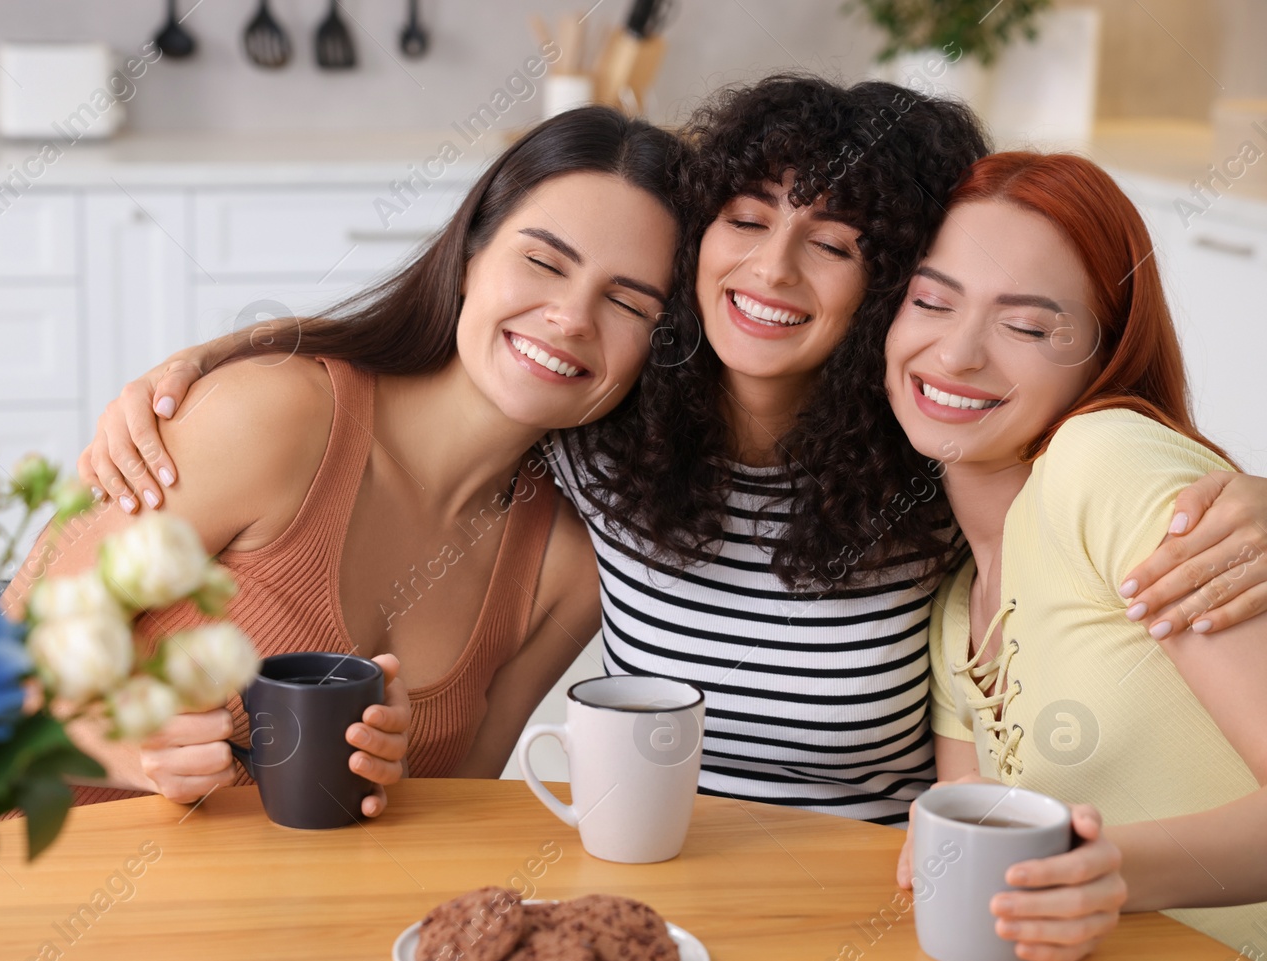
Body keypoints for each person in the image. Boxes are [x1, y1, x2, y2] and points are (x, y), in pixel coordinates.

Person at [80, 77, 1267, 825]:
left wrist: (1252, 493)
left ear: (887, 281)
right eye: (746, 222)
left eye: (834, 244)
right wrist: (218, 363)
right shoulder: (609, 436)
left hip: (871, 900)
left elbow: (1083, 436)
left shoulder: (929, 474)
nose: (772, 268)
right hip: (660, 892)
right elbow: (453, 368)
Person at [5, 106, 684, 816]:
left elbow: (456, 822)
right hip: (17, 882)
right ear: (470, 258)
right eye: (543, 261)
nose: (573, 317)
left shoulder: (565, 571)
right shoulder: (274, 417)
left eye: (627, 303)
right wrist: (127, 744)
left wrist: (395, 784)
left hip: (281, 922)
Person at [889, 152, 1267, 961]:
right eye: (929, 301)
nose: (956, 354)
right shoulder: (956, 609)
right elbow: (971, 842)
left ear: (1105, 357)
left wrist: (1115, 870)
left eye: (1027, 326)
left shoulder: (1106, 465)